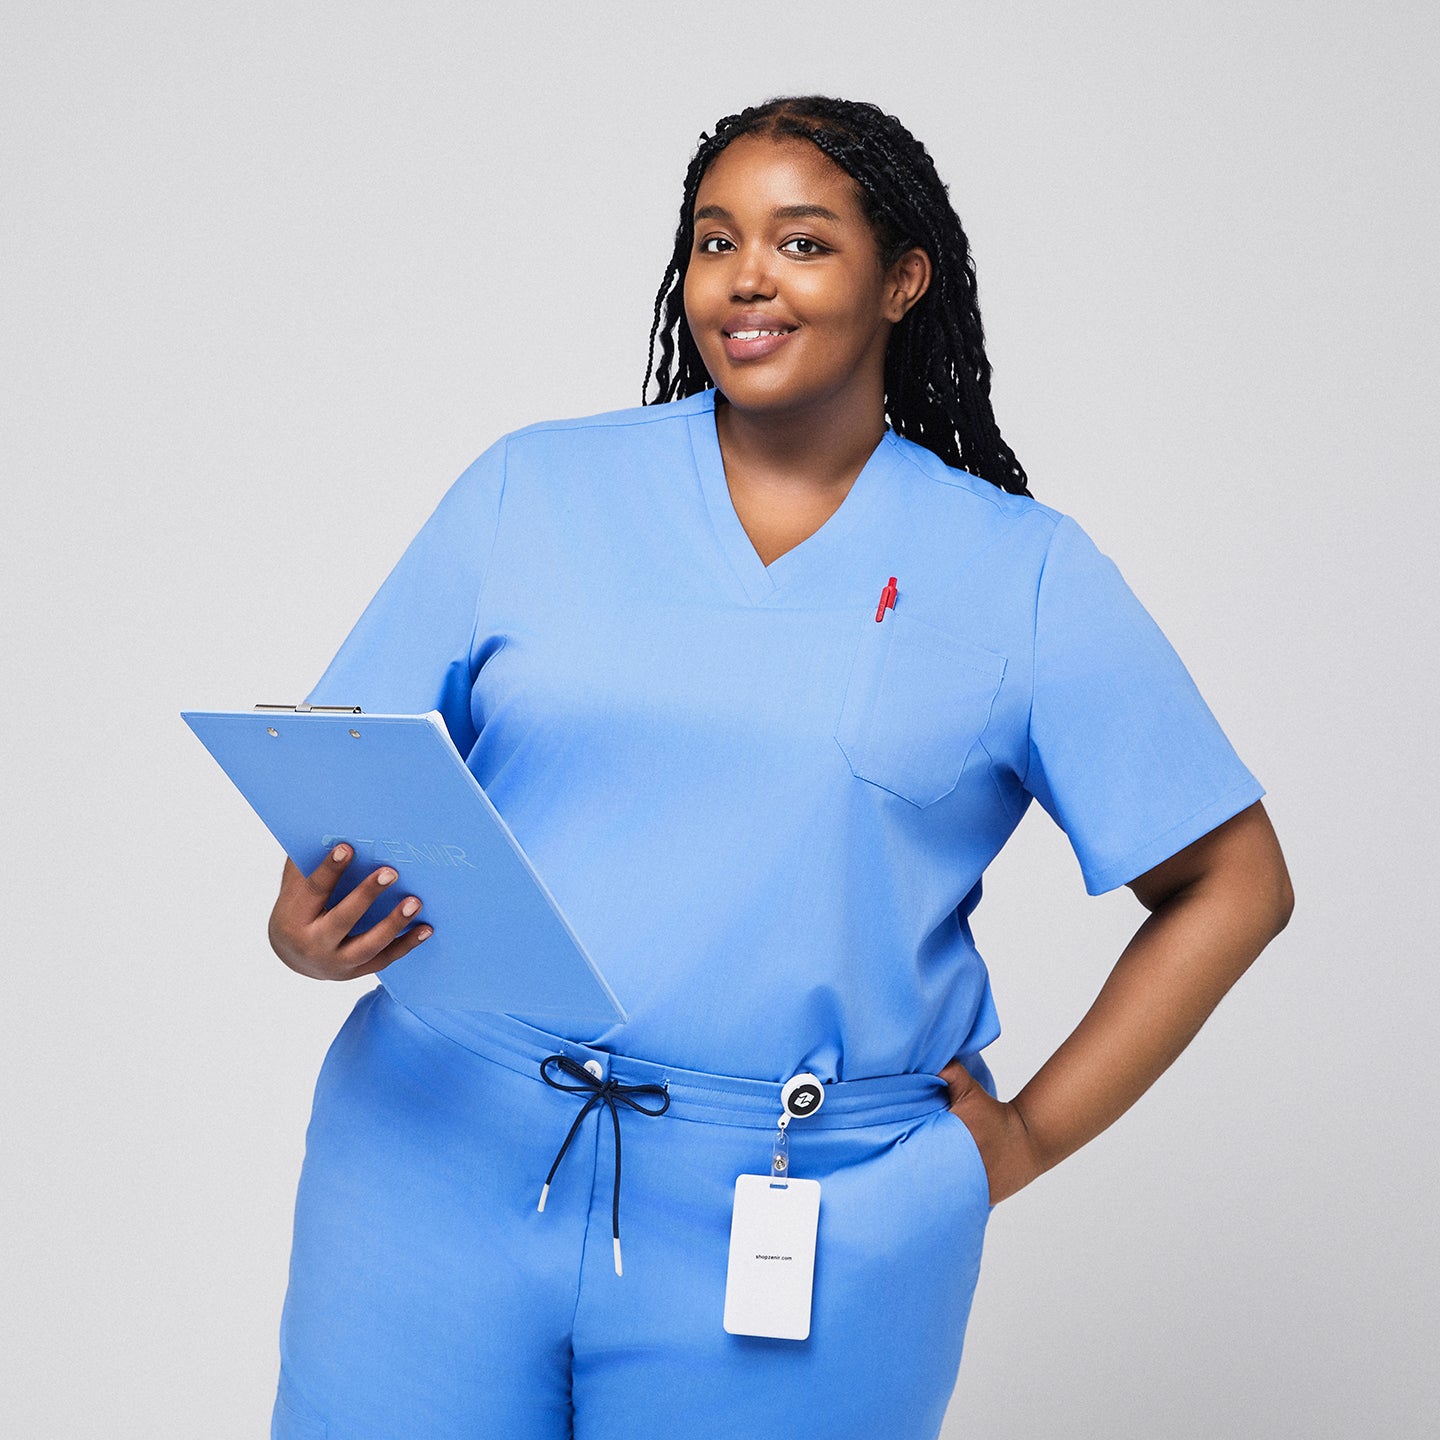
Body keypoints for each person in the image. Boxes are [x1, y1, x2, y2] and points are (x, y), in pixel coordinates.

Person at [263, 95, 1293, 1439]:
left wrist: (1028, 1136)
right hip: (430, 1157)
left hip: (805, 1208)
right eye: (713, 240)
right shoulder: (532, 492)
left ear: (903, 279)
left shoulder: (1019, 575)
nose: (744, 277)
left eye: (802, 242)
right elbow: (343, 794)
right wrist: (305, 926)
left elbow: (1233, 881)